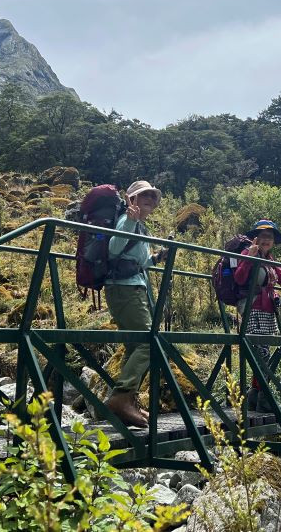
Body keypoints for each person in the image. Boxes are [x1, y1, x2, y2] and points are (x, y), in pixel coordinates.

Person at [103, 180, 163, 429]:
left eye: (151, 195)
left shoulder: (140, 226)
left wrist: (158, 257)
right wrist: (128, 221)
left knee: (133, 347)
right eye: (142, 195)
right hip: (125, 289)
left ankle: (127, 402)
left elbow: (138, 262)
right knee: (149, 342)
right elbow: (114, 249)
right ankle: (120, 397)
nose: (148, 198)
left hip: (132, 287)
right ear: (131, 199)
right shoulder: (126, 221)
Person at [234, 219, 281, 411]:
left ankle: (255, 395)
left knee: (262, 354)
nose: (267, 240)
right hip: (253, 308)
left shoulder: (270, 259)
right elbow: (239, 278)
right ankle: (265, 399)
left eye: (270, 237)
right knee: (262, 354)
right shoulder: (247, 252)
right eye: (263, 236)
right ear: (255, 238)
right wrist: (250, 257)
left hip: (267, 310)